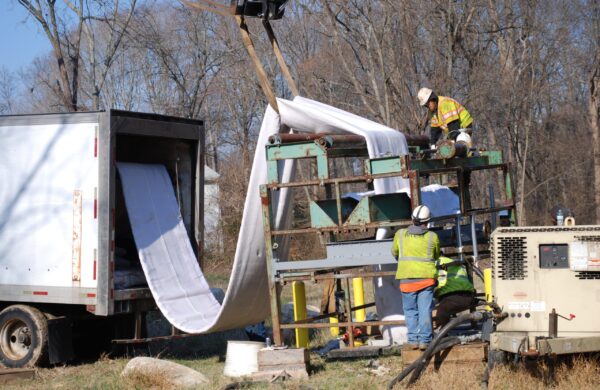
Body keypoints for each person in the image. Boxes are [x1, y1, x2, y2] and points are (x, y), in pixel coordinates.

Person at [392, 205, 440, 350]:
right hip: (426, 280)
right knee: (425, 309)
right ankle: (425, 340)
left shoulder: (400, 234)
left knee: (410, 311)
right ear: (428, 221)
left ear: (412, 219)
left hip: (407, 280)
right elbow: (436, 255)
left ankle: (413, 340)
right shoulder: (432, 236)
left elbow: (395, 252)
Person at [434, 256, 475, 328]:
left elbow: (441, 282)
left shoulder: (441, 262)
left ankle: (443, 334)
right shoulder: (454, 262)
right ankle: (443, 331)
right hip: (469, 298)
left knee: (441, 309)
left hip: (454, 298)